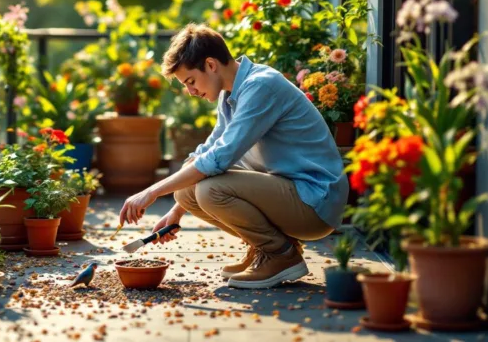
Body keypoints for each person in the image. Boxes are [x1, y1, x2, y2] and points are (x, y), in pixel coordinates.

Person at [118, 23, 349, 289]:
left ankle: (280, 255)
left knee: (210, 190)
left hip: (315, 200)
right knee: (187, 190)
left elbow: (220, 158)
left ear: (211, 64)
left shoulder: (261, 86)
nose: (190, 91)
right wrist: (176, 211)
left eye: (191, 81)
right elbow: (208, 151)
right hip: (288, 191)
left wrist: (151, 192)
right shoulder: (229, 94)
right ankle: (265, 247)